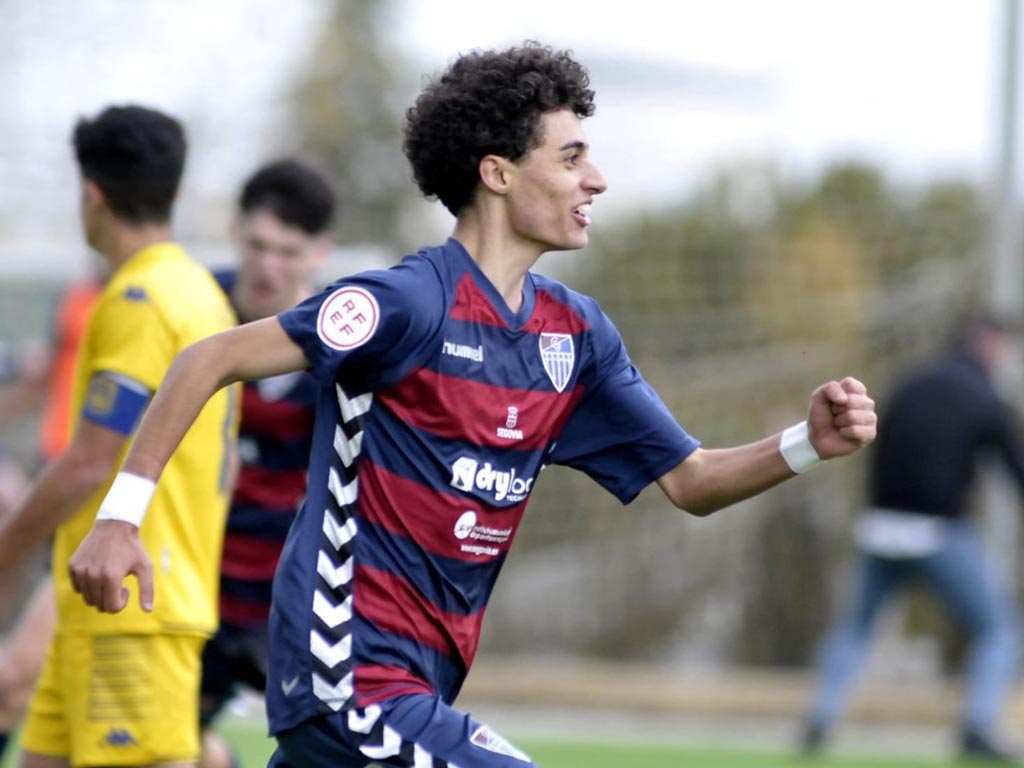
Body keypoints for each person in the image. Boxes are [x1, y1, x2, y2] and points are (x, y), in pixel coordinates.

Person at [69, 44, 877, 768]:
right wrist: (119, 518)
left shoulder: (576, 336)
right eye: (571, 157)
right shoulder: (406, 303)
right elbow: (209, 356)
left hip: (419, 680)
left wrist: (804, 444)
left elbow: (691, 480)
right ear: (498, 173)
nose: (596, 179)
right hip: (347, 672)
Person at [0, 104, 238, 768]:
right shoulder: (198, 291)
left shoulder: (141, 300)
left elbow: (88, 462)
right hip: (101, 601)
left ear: (92, 195)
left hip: (131, 608)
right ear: (173, 191)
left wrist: (6, 550)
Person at [799, 312, 1024, 764]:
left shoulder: (909, 384)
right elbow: (1014, 470)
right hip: (939, 532)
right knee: (999, 630)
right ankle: (977, 727)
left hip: (879, 529)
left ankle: (820, 718)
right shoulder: (984, 398)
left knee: (855, 629)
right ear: (991, 346)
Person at [199, 159, 334, 768]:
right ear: (235, 232)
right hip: (190, 585)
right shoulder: (195, 312)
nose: (269, 265)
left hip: (285, 599)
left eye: (289, 251)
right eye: (258, 245)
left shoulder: (342, 339)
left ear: (320, 252)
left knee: (343, 746)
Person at [0, 274, 102, 764]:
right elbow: (42, 375)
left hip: (99, 503)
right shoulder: (76, 297)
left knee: (17, 681)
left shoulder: (162, 299)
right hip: (56, 480)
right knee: (19, 684)